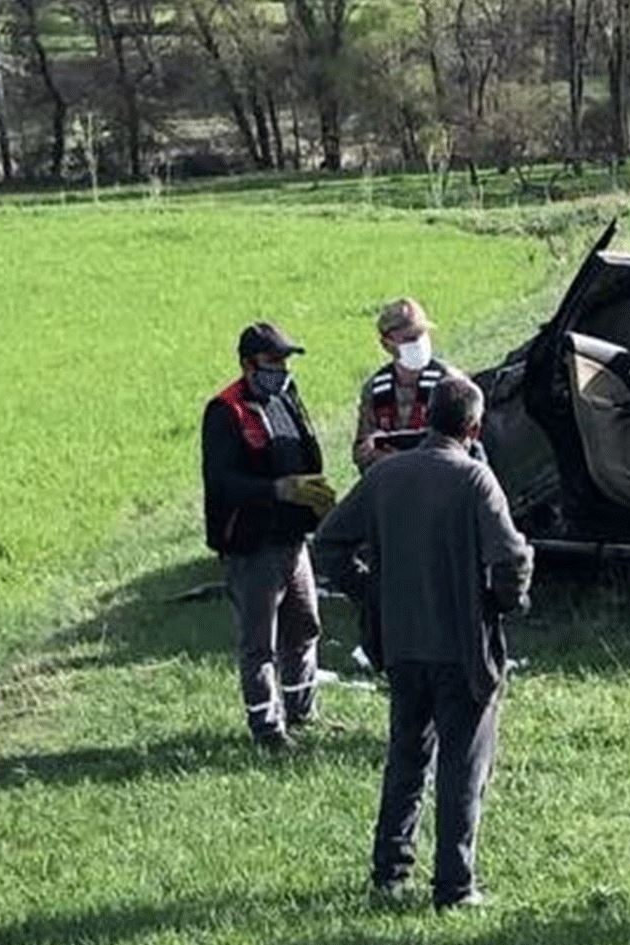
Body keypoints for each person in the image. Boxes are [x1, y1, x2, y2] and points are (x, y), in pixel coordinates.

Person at [315, 376, 534, 910]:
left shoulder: (386, 475)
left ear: (427, 418)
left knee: (406, 758)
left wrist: (370, 592)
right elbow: (512, 557)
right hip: (461, 646)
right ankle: (454, 886)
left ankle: (390, 871)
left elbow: (329, 543)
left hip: (401, 643)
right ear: (473, 428)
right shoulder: (475, 480)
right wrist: (502, 601)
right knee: (463, 766)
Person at [201, 322, 335, 752]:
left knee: (305, 627)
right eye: (272, 361)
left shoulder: (286, 399)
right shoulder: (225, 411)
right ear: (247, 365)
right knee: (260, 644)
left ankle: (302, 712)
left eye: (285, 360)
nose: (281, 369)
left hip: (294, 539)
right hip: (253, 545)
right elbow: (221, 482)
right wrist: (277, 490)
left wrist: (313, 496)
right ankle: (267, 729)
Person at [353, 297, 474, 472]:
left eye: (422, 334)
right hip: (392, 478)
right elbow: (360, 452)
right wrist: (374, 452)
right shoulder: (375, 389)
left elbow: (468, 443)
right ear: (387, 345)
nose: (418, 343)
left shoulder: (451, 382)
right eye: (409, 339)